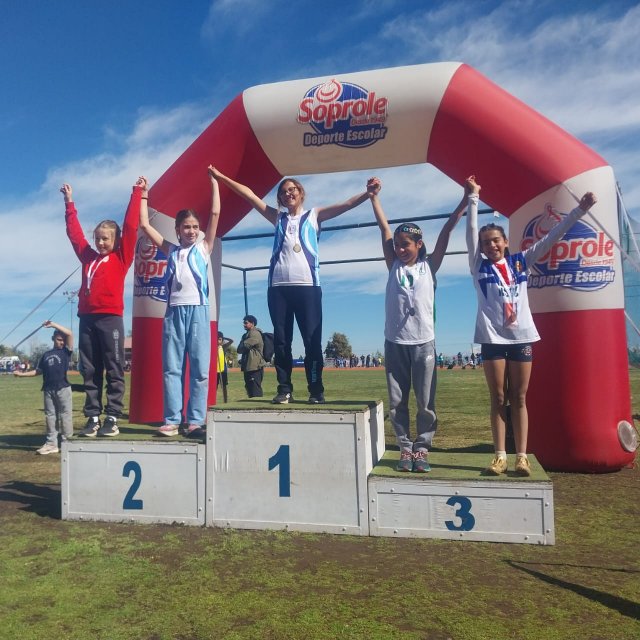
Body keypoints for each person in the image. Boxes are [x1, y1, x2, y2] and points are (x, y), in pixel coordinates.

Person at [465, 175, 597, 476]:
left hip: (521, 337)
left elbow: (552, 237)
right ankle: (500, 456)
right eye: (486, 243)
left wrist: (580, 210)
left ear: (505, 242)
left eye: (495, 240)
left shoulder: (521, 262)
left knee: (519, 397)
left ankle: (522, 456)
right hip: (492, 338)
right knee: (498, 398)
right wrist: (473, 197)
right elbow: (471, 233)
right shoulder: (478, 265)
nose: (491, 245)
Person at [209, 166, 374, 404]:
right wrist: (221, 177)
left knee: (312, 341)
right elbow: (250, 196)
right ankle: (284, 389)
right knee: (282, 342)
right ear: (280, 198)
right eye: (284, 191)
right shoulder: (277, 217)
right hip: (278, 289)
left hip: (308, 287)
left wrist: (368, 193)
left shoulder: (314, 215)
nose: (289, 194)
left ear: (301, 193)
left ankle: (316, 390)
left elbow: (346, 204)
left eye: (292, 189)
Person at [369, 177, 473, 472]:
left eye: (406, 245)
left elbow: (448, 229)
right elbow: (384, 228)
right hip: (395, 342)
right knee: (397, 401)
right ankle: (405, 448)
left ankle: (422, 448)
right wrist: (374, 198)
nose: (401, 249)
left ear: (419, 244)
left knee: (425, 401)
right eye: (397, 245)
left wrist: (465, 199)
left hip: (424, 342)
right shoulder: (393, 266)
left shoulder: (430, 266)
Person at [61, 176, 147, 437]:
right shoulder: (88, 258)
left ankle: (112, 416)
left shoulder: (121, 257)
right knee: (89, 370)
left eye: (105, 239)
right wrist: (69, 203)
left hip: (110, 319)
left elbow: (131, 226)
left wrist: (136, 193)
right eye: (97, 239)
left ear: (116, 240)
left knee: (114, 368)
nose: (100, 243)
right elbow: (75, 235)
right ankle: (93, 417)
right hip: (87, 319)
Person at [139, 166, 221, 438]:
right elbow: (145, 225)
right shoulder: (170, 250)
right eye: (186, 227)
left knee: (199, 369)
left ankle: (195, 421)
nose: (192, 231)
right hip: (173, 311)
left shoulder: (204, 247)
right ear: (177, 230)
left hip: (198, 311)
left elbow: (215, 213)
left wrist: (214, 182)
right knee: (172, 369)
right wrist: (143, 195)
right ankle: (172, 420)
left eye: (195, 227)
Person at [14, 321, 74, 454]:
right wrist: (21, 375)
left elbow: (70, 333)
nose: (62, 342)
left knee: (65, 416)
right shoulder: (46, 355)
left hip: (63, 388)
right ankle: (51, 444)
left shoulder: (66, 352)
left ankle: (68, 443)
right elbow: (38, 371)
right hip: (48, 389)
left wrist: (53, 325)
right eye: (59, 340)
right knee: (50, 416)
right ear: (53, 339)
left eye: (63, 340)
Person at [237, 315, 266, 398]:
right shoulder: (246, 335)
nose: (244, 325)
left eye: (246, 323)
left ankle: (257, 404)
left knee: (255, 388)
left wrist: (243, 342)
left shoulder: (254, 333)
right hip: (248, 365)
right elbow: (239, 350)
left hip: (255, 365)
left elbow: (244, 346)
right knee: (249, 387)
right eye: (244, 323)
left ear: (252, 323)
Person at [216, 331, 234, 403]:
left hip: (223, 370)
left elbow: (231, 341)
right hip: (215, 370)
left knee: (224, 386)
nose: (218, 341)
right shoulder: (212, 347)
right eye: (217, 339)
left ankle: (225, 401)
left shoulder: (223, 347)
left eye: (220, 339)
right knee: (214, 387)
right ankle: (213, 401)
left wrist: (223, 337)